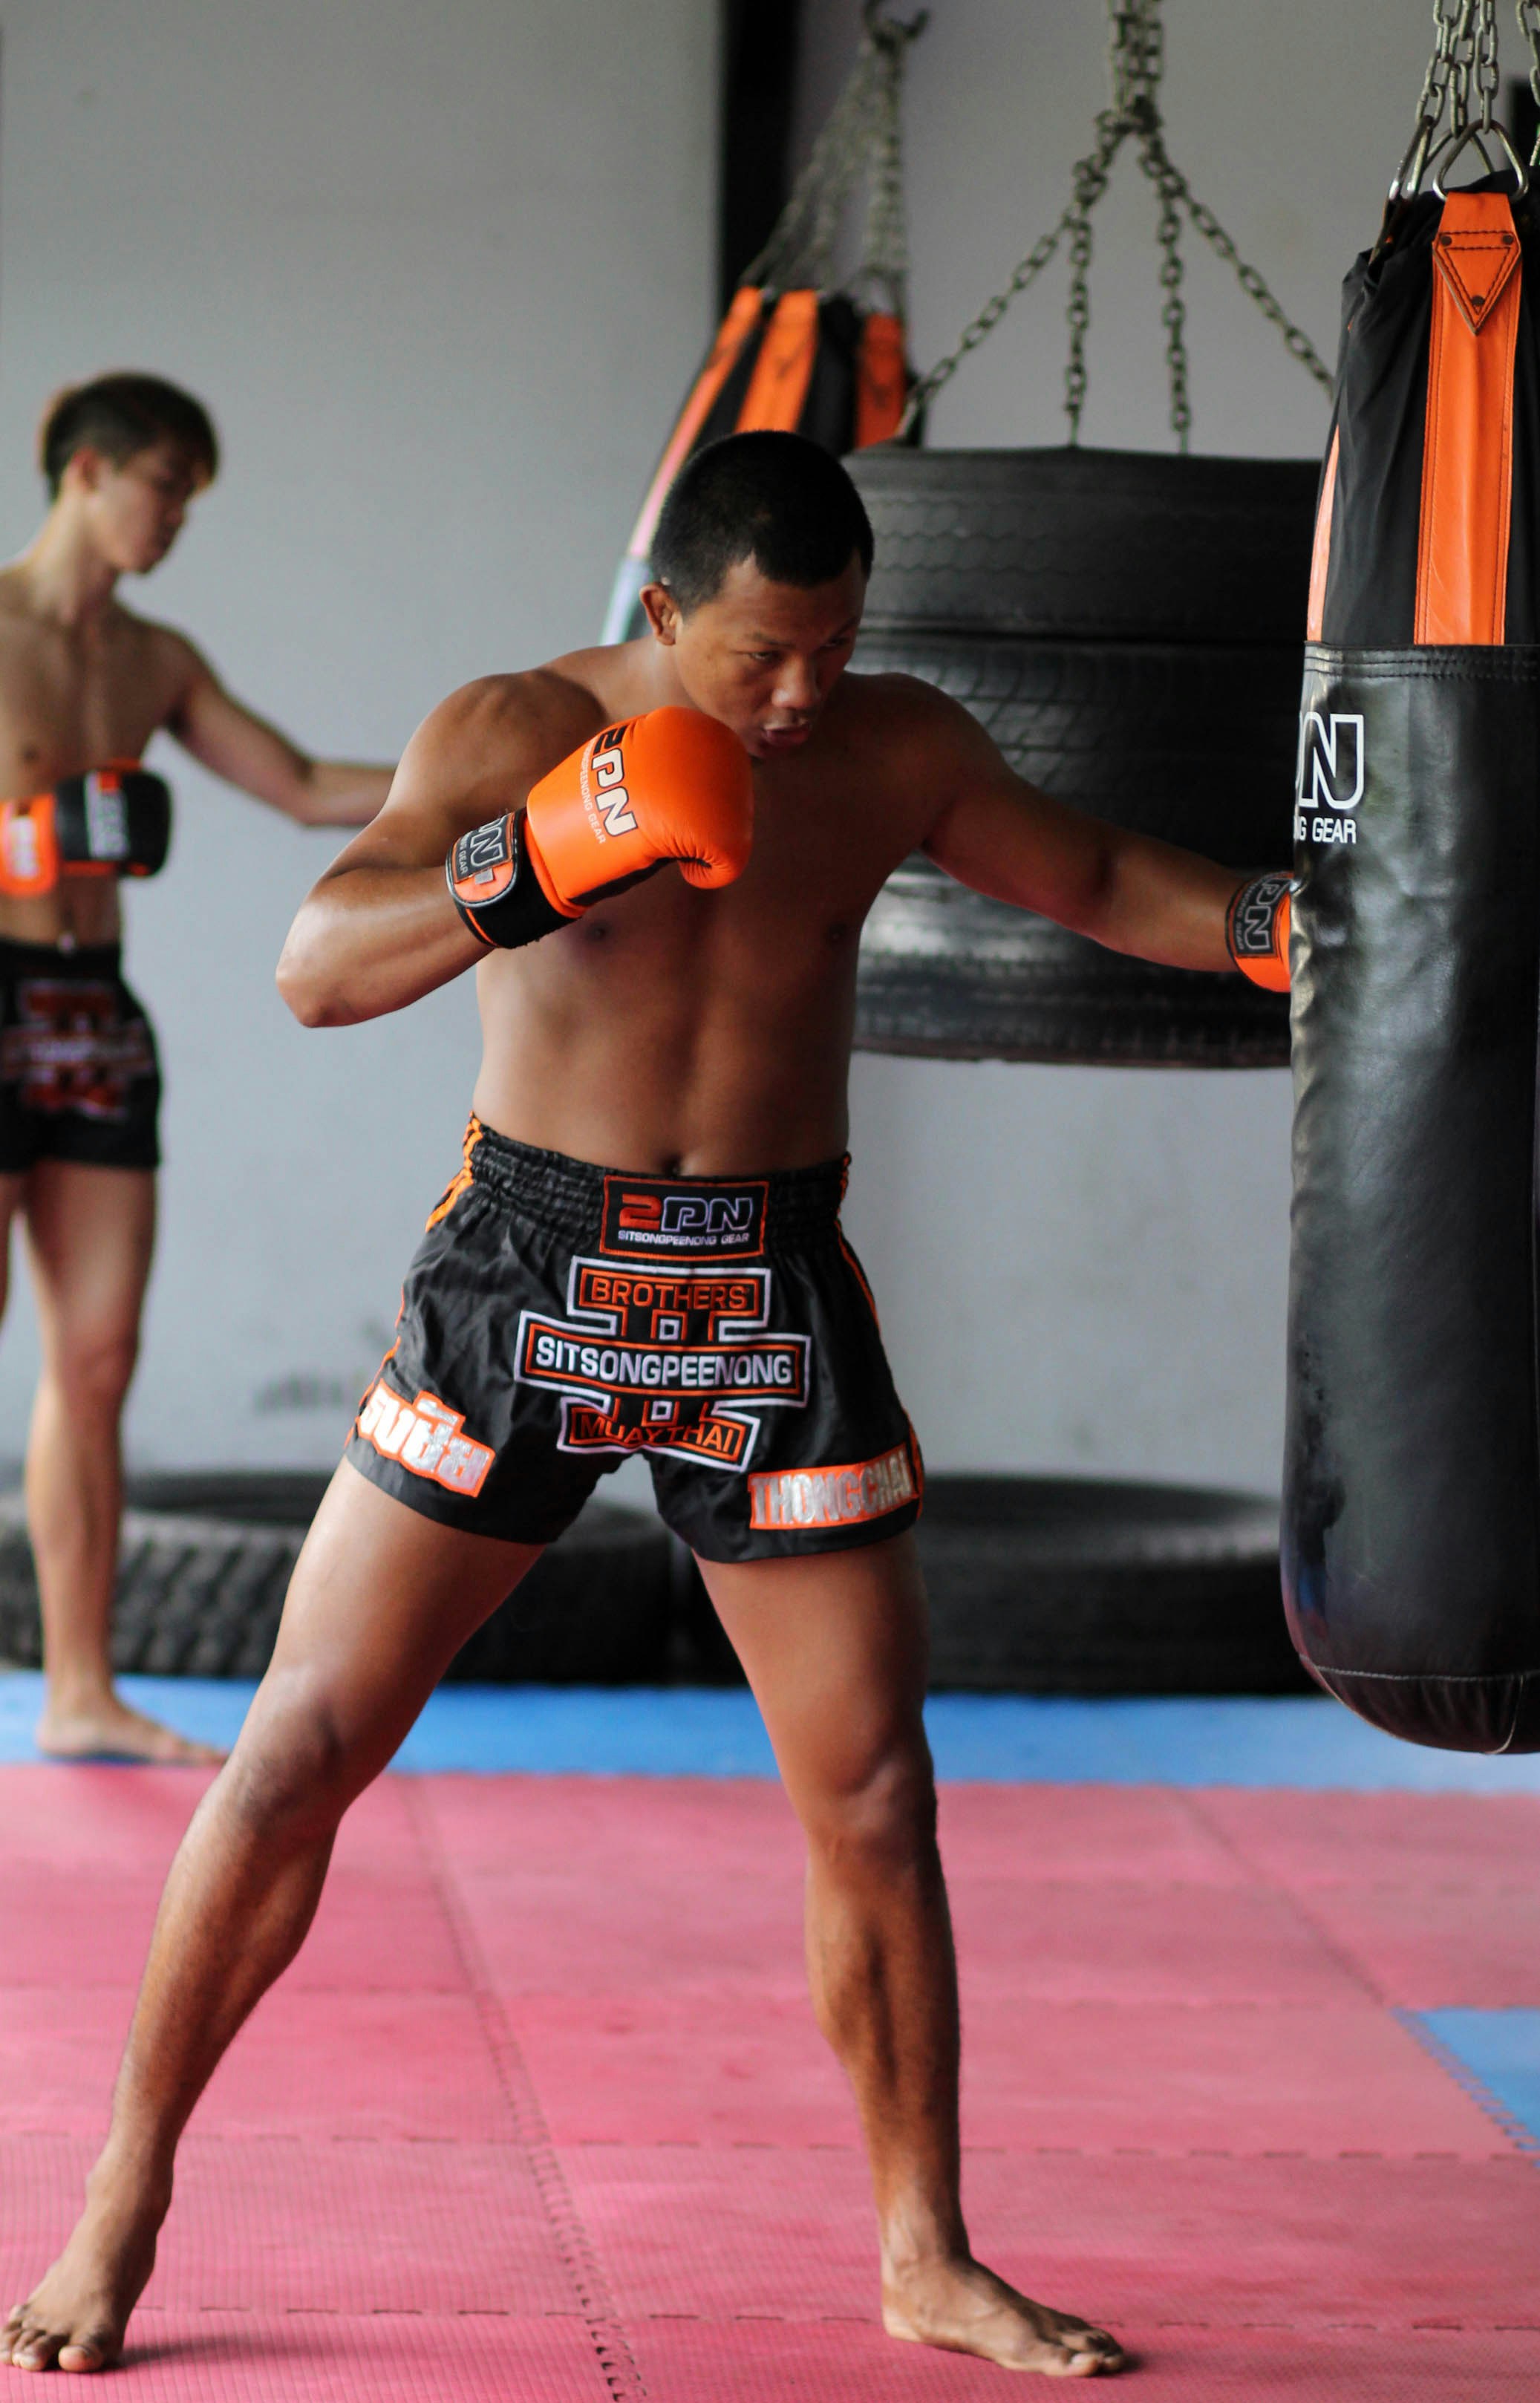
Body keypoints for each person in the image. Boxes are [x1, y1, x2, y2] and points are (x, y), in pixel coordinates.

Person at [0, 431, 1289, 2378]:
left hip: (766, 1289)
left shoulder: (894, 745)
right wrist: (536, 858)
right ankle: (118, 2199)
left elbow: (1099, 874)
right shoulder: (516, 721)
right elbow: (316, 965)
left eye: (833, 652)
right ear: (664, 606)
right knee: (297, 1745)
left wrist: (1300, 931)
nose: (796, 697)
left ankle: (924, 2251)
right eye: (762, 655)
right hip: (522, 1271)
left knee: (875, 1791)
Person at [0, 373, 393, 1765]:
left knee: (96, 1360)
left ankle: (79, 1692)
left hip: (94, 1013)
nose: (174, 518)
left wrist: (499, 778)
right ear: (88, 471)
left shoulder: (154, 659)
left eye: (188, 497)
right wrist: (28, 849)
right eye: (164, 486)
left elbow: (296, 784)